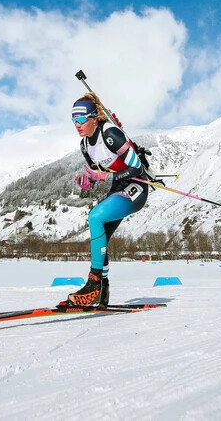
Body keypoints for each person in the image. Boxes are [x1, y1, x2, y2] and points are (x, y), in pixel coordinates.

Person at [66, 93, 149, 307]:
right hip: (118, 188)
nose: (77, 125)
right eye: (74, 120)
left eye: (81, 119)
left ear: (94, 118)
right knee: (99, 235)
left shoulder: (110, 134)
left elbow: (136, 168)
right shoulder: (85, 145)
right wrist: (87, 181)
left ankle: (93, 285)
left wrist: (108, 177)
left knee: (95, 217)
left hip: (136, 187)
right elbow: (95, 173)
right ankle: (102, 289)